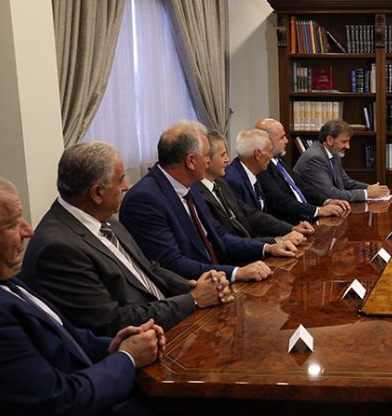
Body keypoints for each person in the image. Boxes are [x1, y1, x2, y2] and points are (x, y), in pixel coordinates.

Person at [0, 173, 208, 416]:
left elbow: (67, 335)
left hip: (86, 409)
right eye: (12, 225)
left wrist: (112, 345)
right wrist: (126, 358)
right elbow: (58, 403)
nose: (28, 230)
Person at [21, 141, 233, 336]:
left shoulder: (106, 219)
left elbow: (149, 268)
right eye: (121, 179)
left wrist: (193, 286)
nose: (126, 186)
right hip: (141, 343)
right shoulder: (59, 248)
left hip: (168, 320)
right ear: (97, 193)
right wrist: (193, 300)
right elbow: (112, 321)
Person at [119, 121, 298, 283]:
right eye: (206, 155)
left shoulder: (190, 186)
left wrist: (268, 248)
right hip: (193, 291)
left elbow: (220, 237)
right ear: (191, 161)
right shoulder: (144, 199)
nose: (208, 161)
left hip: (217, 277)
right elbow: (171, 263)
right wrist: (236, 273)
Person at [198, 130, 313, 244]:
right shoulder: (231, 180)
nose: (227, 160)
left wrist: (291, 228)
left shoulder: (221, 183)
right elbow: (231, 237)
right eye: (223, 155)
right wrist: (277, 241)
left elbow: (252, 215)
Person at [252, 118, 348, 223]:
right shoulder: (262, 167)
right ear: (267, 140)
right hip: (291, 224)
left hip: (308, 217)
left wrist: (327, 201)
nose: (286, 141)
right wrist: (318, 211)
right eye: (282, 137)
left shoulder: (280, 160)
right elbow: (280, 201)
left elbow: (303, 187)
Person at [293, 119, 389, 203]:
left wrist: (369, 188)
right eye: (344, 141)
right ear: (330, 140)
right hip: (312, 210)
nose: (348, 146)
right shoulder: (315, 158)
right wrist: (367, 193)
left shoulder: (333, 153)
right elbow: (330, 194)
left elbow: (346, 182)